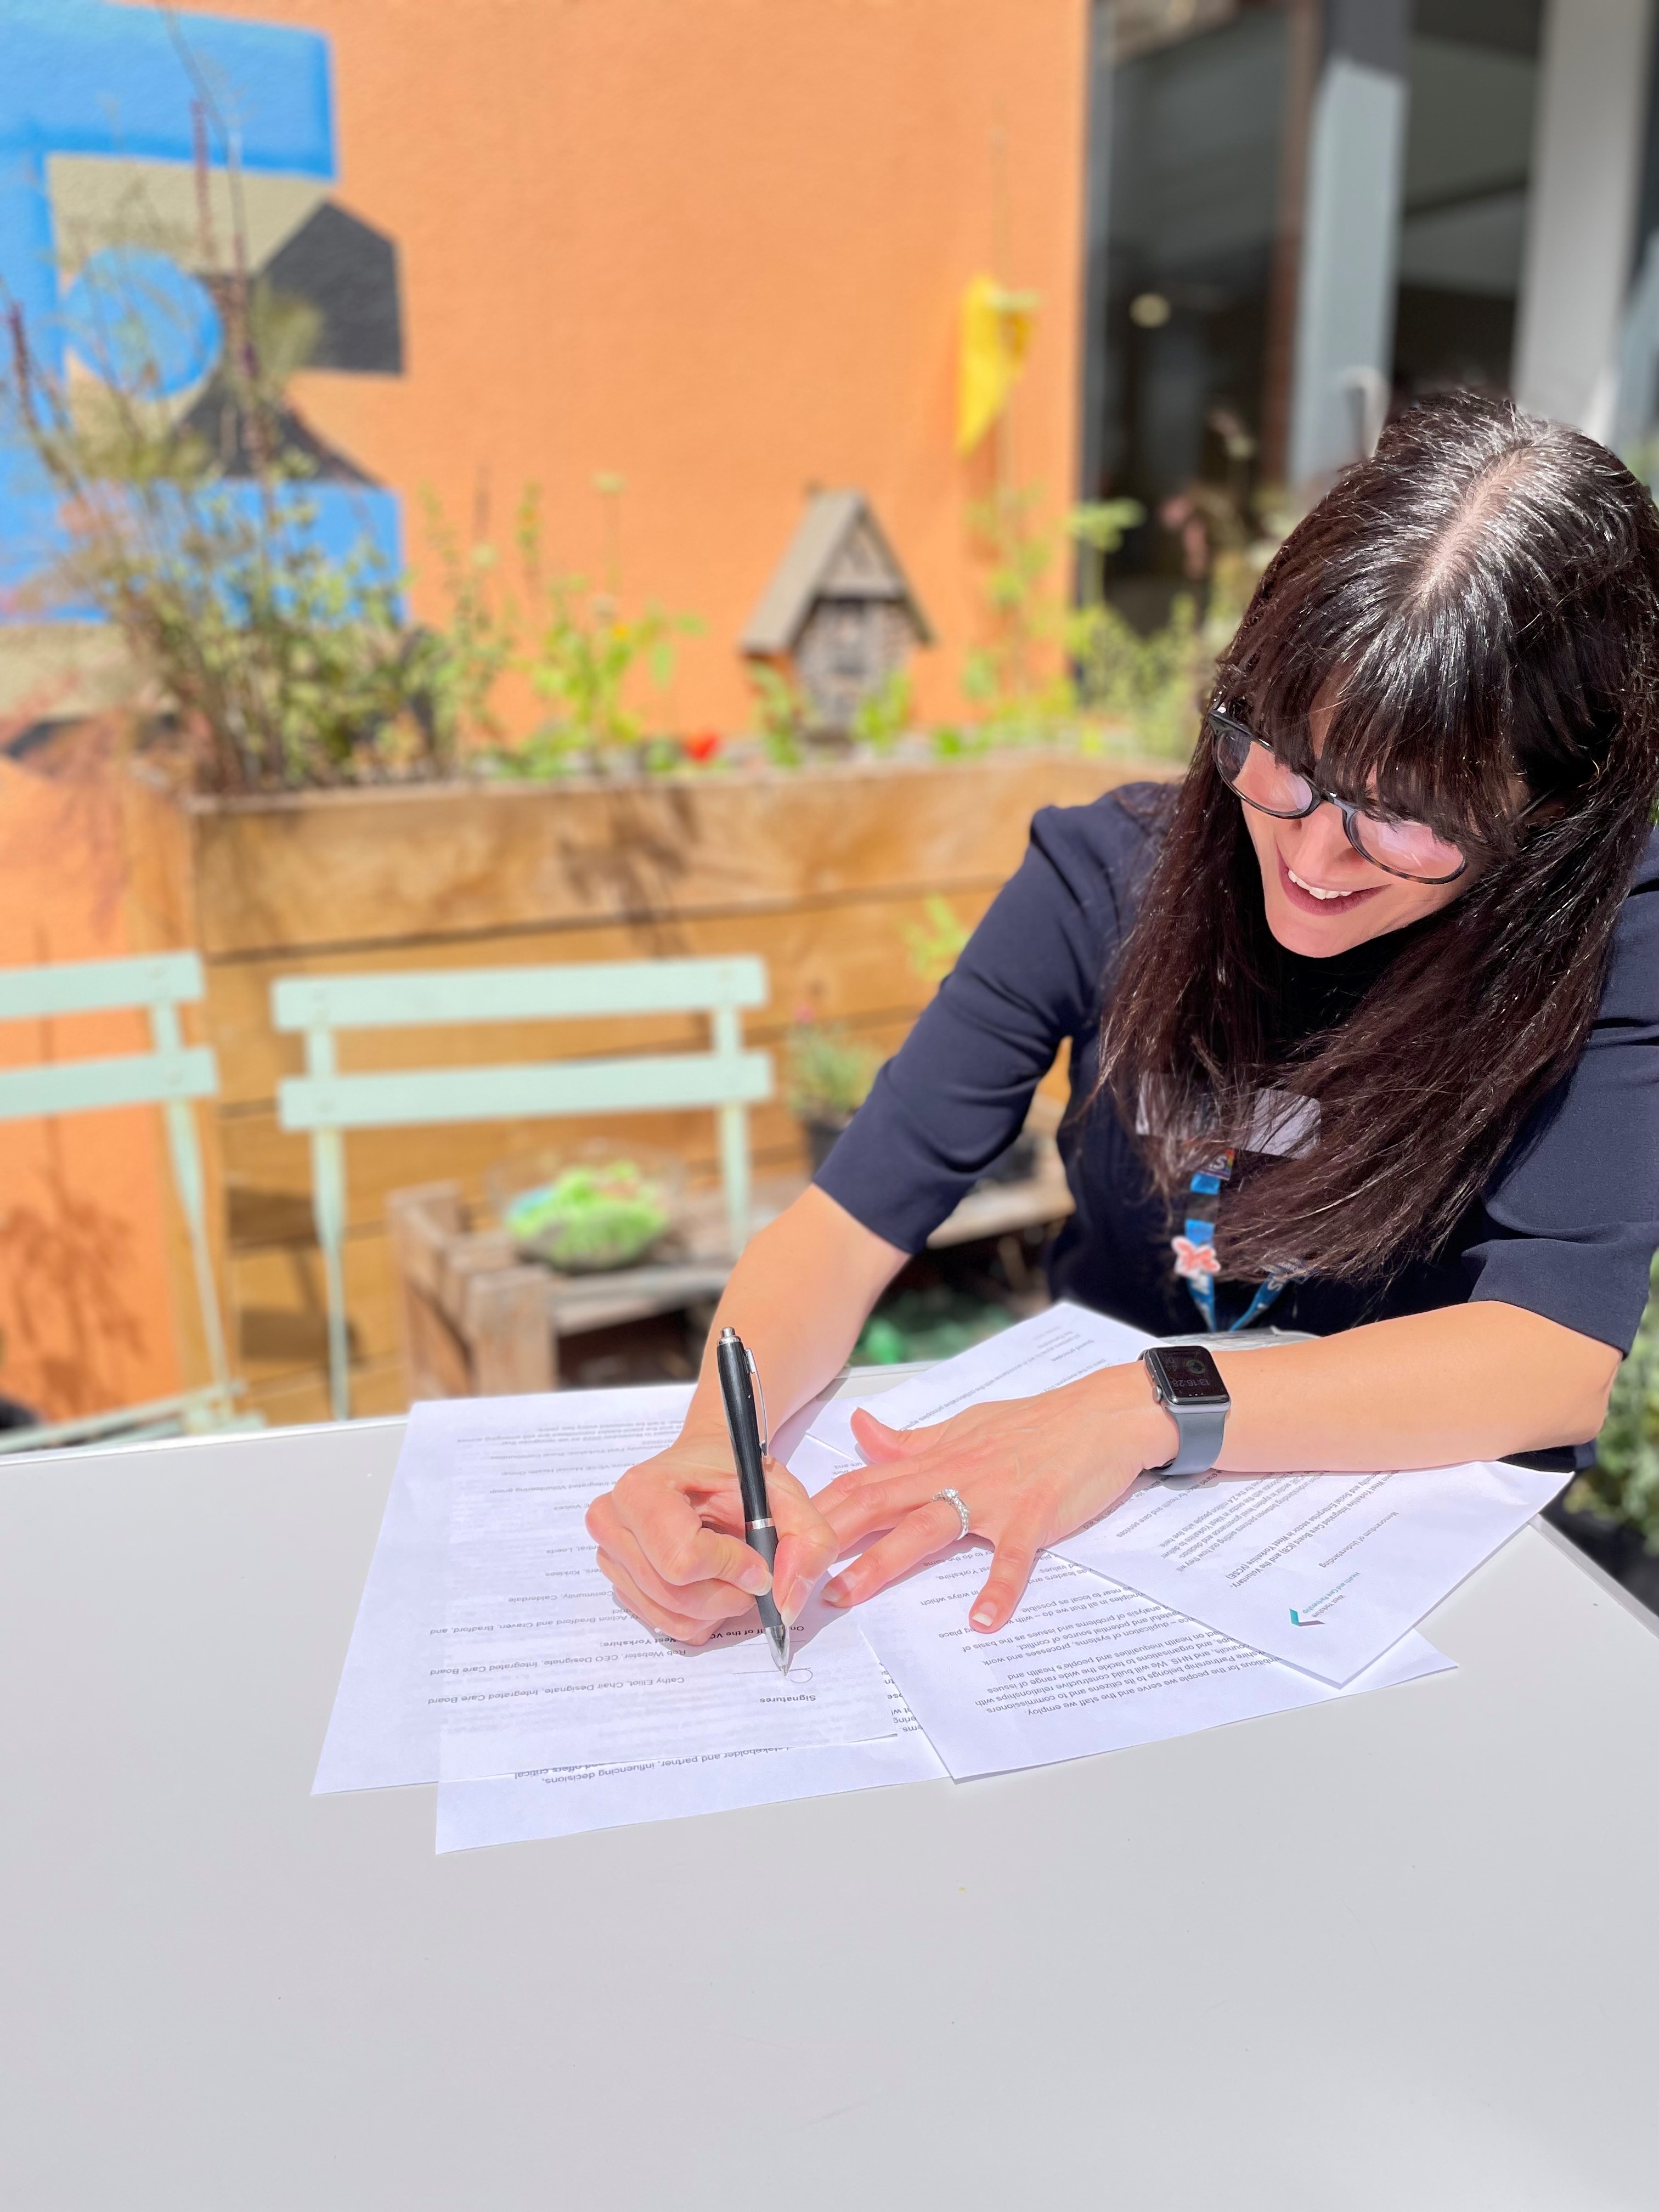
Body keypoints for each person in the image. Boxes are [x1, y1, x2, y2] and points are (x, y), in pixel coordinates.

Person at [588, 392, 1659, 1642]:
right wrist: (713, 1450)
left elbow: (1547, 1356)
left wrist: (1138, 1406)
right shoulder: (1103, 881)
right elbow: (847, 1221)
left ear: (1555, 813)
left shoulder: (1611, 944)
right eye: (1284, 762)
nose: (1318, 853)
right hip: (1098, 1555)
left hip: (1404, 1569)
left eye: (1410, 813)